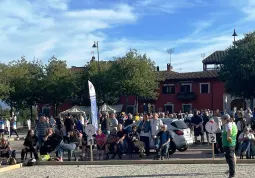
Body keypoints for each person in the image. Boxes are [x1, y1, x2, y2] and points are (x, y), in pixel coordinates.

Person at [222, 114, 238, 178]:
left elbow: (229, 130)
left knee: (229, 159)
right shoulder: (233, 124)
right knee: (233, 157)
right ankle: (233, 170)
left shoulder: (228, 124)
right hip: (233, 143)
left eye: (222, 120)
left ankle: (232, 174)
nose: (222, 121)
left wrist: (228, 137)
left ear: (225, 119)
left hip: (228, 144)